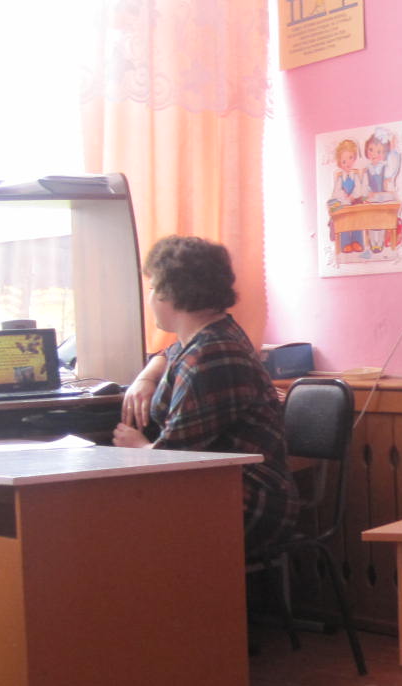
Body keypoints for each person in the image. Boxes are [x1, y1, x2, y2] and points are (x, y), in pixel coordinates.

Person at [117, 236, 298, 557]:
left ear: (172, 293)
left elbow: (174, 458)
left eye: (153, 287)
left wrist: (138, 447)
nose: (150, 297)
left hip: (246, 502)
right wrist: (146, 376)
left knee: (110, 520)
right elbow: (171, 352)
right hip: (224, 488)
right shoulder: (215, 332)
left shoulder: (211, 353)